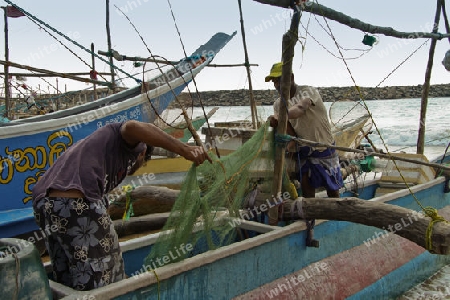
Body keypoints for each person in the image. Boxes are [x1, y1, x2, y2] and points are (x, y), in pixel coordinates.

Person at [32, 120, 211, 291]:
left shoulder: (100, 152)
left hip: (45, 205)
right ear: (142, 152)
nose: (134, 169)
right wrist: (184, 149)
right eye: (141, 164)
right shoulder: (134, 144)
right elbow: (133, 127)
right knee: (105, 273)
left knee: (69, 274)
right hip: (75, 203)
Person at [266, 62, 343, 245]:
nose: (277, 85)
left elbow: (299, 109)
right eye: (274, 82)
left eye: (280, 80)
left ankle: (340, 219)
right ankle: (310, 229)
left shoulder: (308, 92)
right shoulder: (278, 104)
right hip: (306, 150)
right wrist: (286, 138)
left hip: (324, 148)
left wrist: (281, 116)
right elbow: (290, 129)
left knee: (332, 188)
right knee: (307, 187)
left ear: (291, 78)